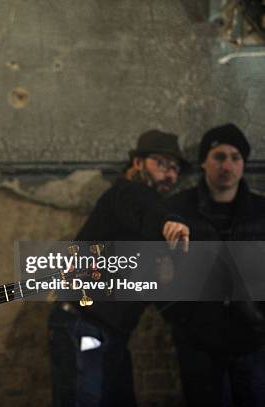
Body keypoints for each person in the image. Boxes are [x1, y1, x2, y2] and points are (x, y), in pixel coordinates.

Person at [49, 130, 190, 407]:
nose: (170, 175)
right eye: (161, 164)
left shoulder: (143, 216)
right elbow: (145, 207)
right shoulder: (125, 193)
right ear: (137, 163)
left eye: (174, 169)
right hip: (84, 325)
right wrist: (171, 221)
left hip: (108, 332)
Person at [165, 123, 265, 407]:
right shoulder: (178, 210)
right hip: (199, 343)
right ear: (203, 162)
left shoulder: (261, 212)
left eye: (236, 157)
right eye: (219, 156)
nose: (228, 165)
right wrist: (181, 318)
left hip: (253, 339)